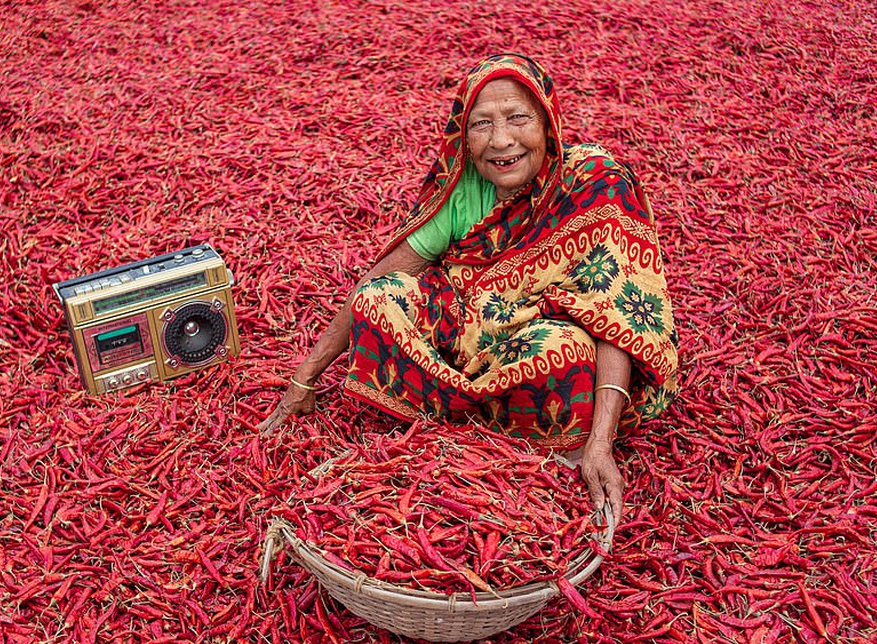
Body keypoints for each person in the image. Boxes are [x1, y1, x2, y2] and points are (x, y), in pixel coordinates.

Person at [258, 53, 678, 528]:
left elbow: (617, 315)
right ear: (463, 135)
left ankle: (559, 439)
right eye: (482, 124)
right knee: (379, 300)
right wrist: (305, 378)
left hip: (533, 349)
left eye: (518, 118)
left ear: (548, 123)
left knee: (563, 354)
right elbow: (374, 282)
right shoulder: (461, 188)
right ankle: (485, 425)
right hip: (468, 337)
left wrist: (601, 444)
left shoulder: (594, 184)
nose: (501, 141)